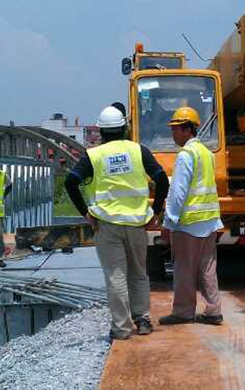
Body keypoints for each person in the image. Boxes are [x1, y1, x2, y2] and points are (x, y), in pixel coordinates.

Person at [65, 104, 169, 341]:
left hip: (107, 225)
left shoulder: (94, 155)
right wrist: (155, 211)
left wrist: (85, 213)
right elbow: (162, 179)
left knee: (116, 276)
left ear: (101, 132)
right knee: (139, 274)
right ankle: (142, 320)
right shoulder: (139, 151)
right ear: (124, 128)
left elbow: (70, 182)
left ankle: (122, 329)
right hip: (136, 223)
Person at [158, 106, 224, 326]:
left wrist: (168, 221)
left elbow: (178, 193)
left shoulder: (186, 155)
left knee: (184, 269)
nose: (173, 133)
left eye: (175, 129)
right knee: (207, 269)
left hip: (189, 225)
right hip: (209, 222)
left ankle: (184, 311)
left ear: (187, 130)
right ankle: (213, 311)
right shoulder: (206, 153)